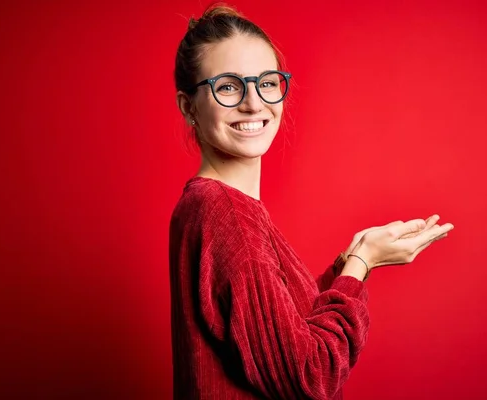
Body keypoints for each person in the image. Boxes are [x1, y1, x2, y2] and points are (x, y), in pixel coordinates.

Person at [169, 4, 454, 399]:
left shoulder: (213, 205)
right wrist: (362, 263)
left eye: (267, 82)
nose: (254, 103)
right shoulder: (224, 212)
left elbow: (280, 327)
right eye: (228, 86)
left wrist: (351, 258)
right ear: (189, 107)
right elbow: (308, 375)